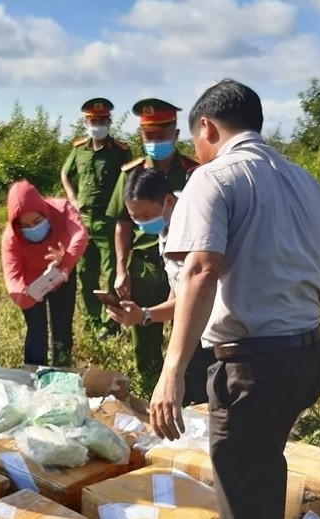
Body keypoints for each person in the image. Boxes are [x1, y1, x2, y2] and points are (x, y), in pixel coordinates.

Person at [150, 79, 320, 519]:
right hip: (306, 357)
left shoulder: (212, 178)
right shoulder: (304, 180)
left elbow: (201, 270)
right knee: (262, 464)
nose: (197, 150)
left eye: (194, 139)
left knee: (245, 493)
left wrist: (172, 371)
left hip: (252, 370)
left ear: (206, 127)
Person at [105, 98, 198, 394]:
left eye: (161, 135)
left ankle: (187, 387)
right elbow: (122, 223)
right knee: (144, 334)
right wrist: (121, 269)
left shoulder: (195, 173)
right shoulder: (131, 174)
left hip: (186, 262)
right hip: (146, 263)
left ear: (175, 133)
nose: (154, 142)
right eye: (148, 136)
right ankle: (150, 387)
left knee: (189, 329)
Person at [106, 167, 214, 404]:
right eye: (135, 217)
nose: (141, 223)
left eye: (146, 215)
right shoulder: (167, 222)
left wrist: (145, 315)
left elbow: (193, 296)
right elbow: (177, 285)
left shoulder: (193, 226)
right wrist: (163, 316)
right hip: (194, 319)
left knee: (206, 393)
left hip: (213, 326)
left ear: (167, 200)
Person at [60, 98, 132, 339]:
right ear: (86, 123)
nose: (97, 125)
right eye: (93, 121)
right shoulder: (79, 149)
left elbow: (130, 180)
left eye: (102, 121)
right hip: (83, 220)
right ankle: (92, 320)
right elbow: (65, 173)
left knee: (112, 274)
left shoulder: (120, 151)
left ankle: (109, 323)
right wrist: (72, 198)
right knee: (85, 273)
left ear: (109, 122)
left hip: (108, 220)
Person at [0, 180, 88, 366]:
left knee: (62, 327)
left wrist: (65, 262)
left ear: (44, 212)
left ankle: (62, 369)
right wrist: (26, 296)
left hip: (62, 273)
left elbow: (80, 236)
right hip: (32, 284)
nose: (32, 228)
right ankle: (34, 372)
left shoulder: (62, 209)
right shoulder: (10, 238)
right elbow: (12, 278)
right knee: (36, 331)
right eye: (26, 225)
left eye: (37, 221)